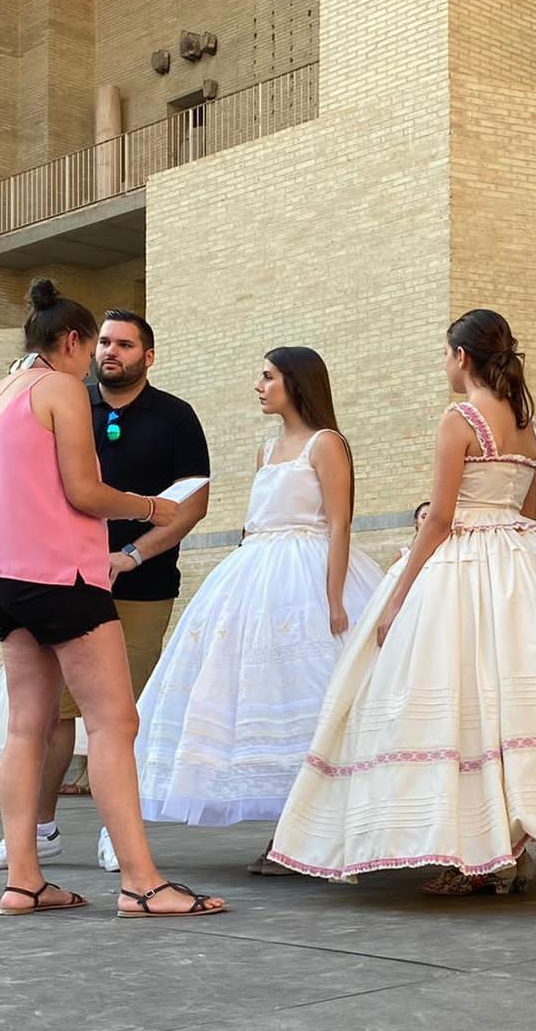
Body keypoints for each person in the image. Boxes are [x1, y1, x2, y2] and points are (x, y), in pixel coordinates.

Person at [267, 309, 536, 893]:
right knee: (514, 706)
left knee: (461, 706)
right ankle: (504, 844)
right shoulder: (529, 425)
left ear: (462, 357)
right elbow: (528, 514)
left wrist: (398, 594)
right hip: (526, 565)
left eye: (447, 354)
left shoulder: (459, 420)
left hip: (463, 564)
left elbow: (441, 517)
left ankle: (472, 853)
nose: (445, 364)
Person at [0, 279, 224, 919]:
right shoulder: (59, 390)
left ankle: (23, 881)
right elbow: (84, 491)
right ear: (73, 341)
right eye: (92, 348)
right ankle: (142, 882)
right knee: (115, 723)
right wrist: (150, 506)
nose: (93, 363)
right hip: (63, 579)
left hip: (0, 580)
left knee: (27, 727)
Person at [132, 348, 382, 869]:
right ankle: (291, 835)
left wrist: (334, 597)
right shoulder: (267, 450)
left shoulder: (327, 443)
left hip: (309, 572)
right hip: (258, 571)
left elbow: (339, 523)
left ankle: (323, 835)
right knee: (264, 699)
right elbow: (257, 522)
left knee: (318, 697)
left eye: (268, 377)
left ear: (296, 382)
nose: (259, 385)